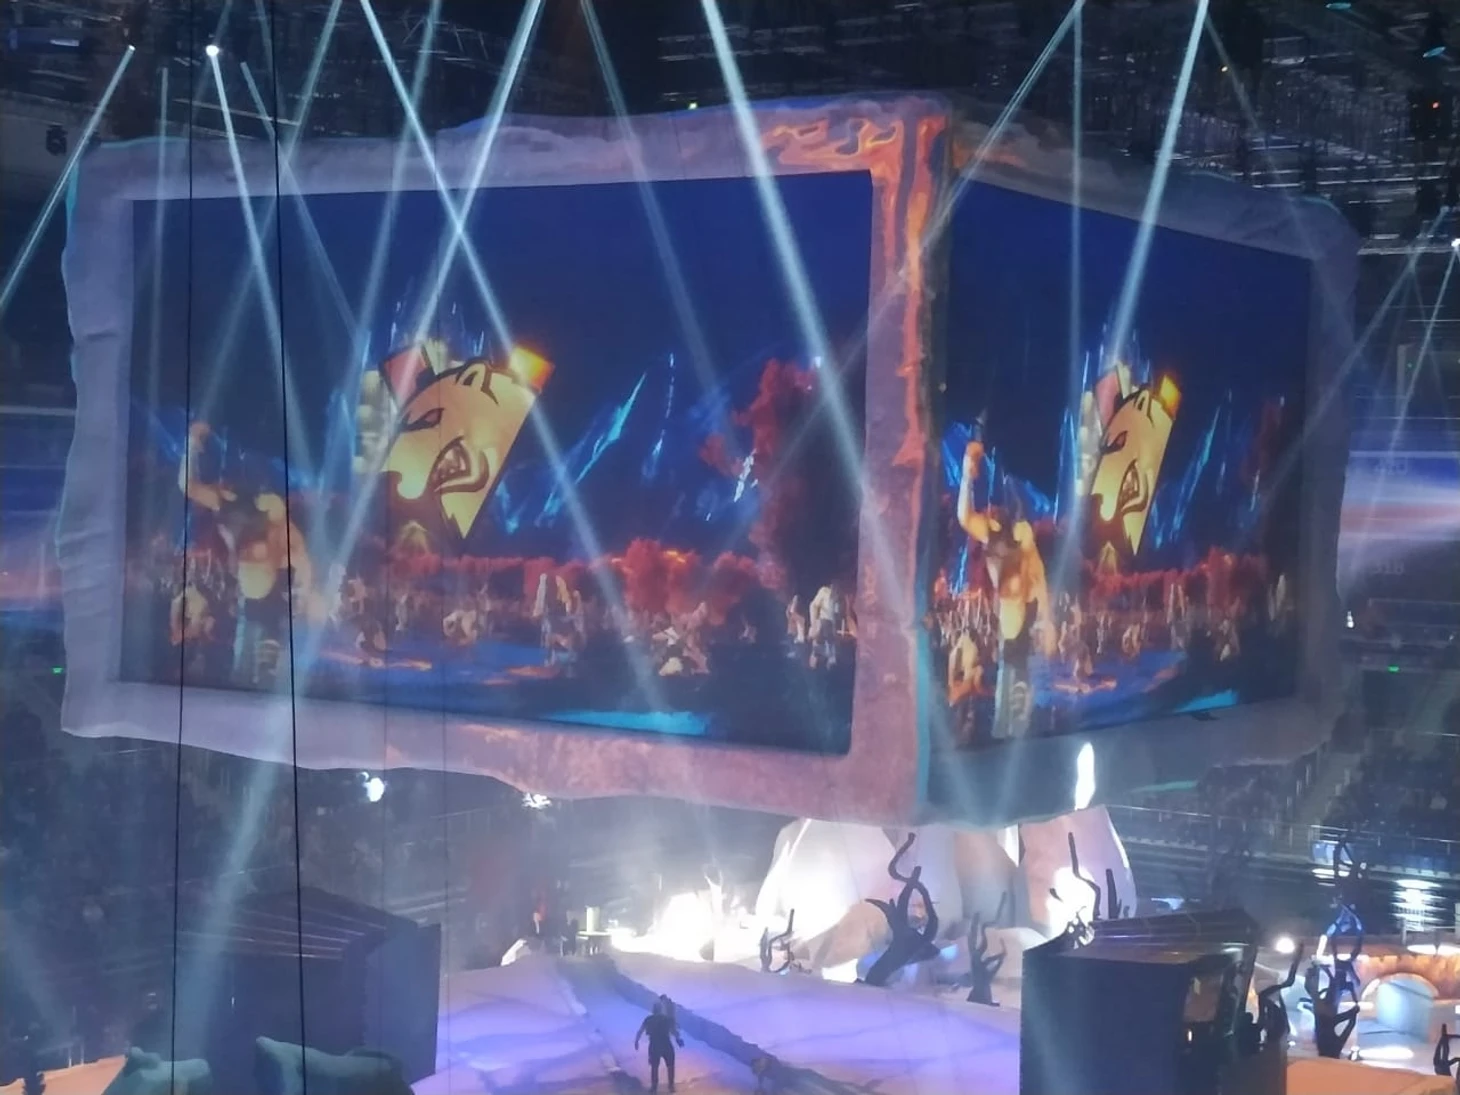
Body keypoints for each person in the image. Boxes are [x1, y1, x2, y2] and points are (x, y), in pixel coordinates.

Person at [634, 1001, 683, 1094]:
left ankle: (654, 1087)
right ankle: (671, 1086)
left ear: (653, 1010)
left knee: (654, 1067)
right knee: (670, 1066)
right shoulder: (666, 1019)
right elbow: (673, 1031)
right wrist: (678, 1039)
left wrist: (636, 1041)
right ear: (660, 1010)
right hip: (666, 1044)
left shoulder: (648, 1019)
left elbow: (640, 1030)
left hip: (654, 1045)